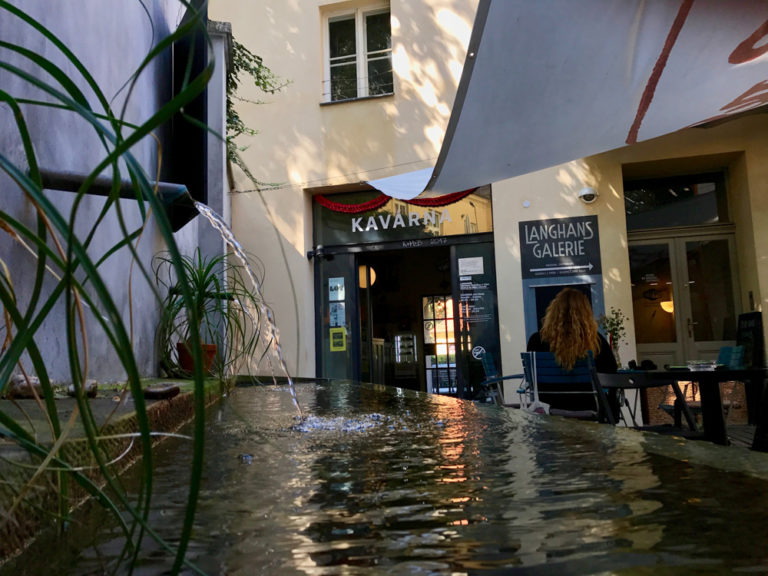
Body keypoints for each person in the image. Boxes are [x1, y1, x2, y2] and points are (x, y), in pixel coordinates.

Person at [526, 288, 619, 415]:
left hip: (550, 408)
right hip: (589, 408)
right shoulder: (597, 342)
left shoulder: (536, 341)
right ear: (586, 313)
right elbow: (611, 376)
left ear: (553, 312)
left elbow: (531, 378)